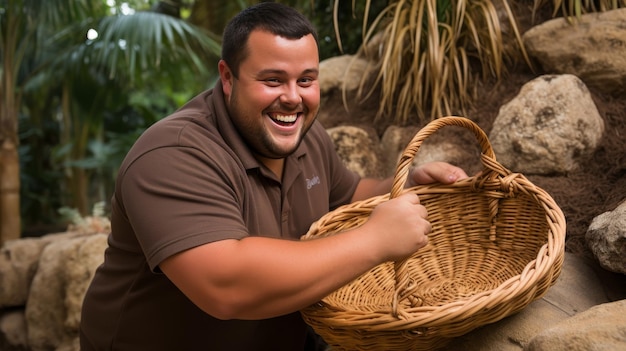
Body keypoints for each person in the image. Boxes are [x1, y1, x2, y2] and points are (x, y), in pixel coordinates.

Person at [79, 3, 467, 351]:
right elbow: (225, 285)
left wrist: (402, 188)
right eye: (273, 80)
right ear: (228, 77)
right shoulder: (173, 153)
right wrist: (375, 239)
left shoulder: (307, 136)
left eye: (306, 80)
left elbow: (347, 195)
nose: (293, 98)